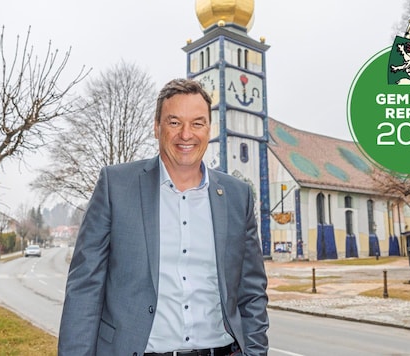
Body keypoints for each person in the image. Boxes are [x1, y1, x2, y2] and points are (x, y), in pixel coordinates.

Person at [58, 78, 269, 355]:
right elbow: (85, 288)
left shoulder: (237, 196)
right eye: (174, 122)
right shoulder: (116, 186)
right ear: (157, 127)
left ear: (208, 129)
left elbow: (251, 292)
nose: (186, 134)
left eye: (197, 123)